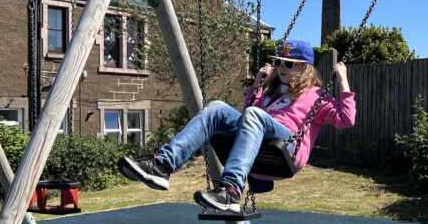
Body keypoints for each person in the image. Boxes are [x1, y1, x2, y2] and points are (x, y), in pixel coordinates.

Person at [118, 39, 355, 214]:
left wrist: (343, 81)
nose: (283, 68)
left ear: (305, 68)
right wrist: (257, 84)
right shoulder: (271, 92)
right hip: (261, 145)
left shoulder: (316, 96)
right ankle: (162, 165)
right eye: (280, 62)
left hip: (287, 147)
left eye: (291, 64)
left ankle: (230, 191)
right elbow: (247, 117)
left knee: (255, 114)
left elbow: (345, 119)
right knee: (218, 108)